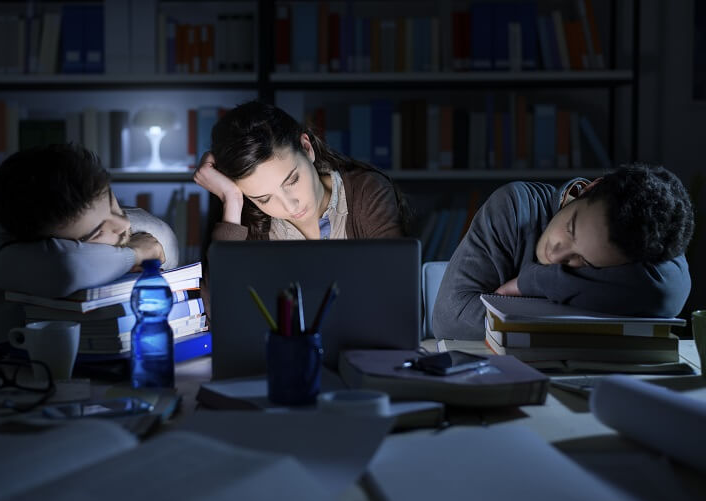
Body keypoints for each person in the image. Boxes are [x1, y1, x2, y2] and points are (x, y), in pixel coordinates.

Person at [0, 143, 178, 360]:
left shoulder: (91, 213)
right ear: (42, 241)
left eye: (112, 203)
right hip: (8, 381)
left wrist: (127, 240)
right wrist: (135, 254)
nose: (123, 224)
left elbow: (163, 238)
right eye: (97, 233)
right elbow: (65, 266)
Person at [432, 163, 694, 340]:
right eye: (570, 229)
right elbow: (449, 319)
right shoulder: (515, 207)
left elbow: (665, 293)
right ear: (587, 189)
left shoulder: (639, 243)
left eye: (582, 263)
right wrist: (586, 323)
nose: (556, 257)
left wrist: (533, 282)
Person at [193, 100, 409, 241]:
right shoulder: (252, 222)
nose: (290, 205)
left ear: (307, 148)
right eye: (265, 199)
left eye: (292, 180)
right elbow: (218, 304)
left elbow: (397, 287)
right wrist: (231, 200)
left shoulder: (365, 192)